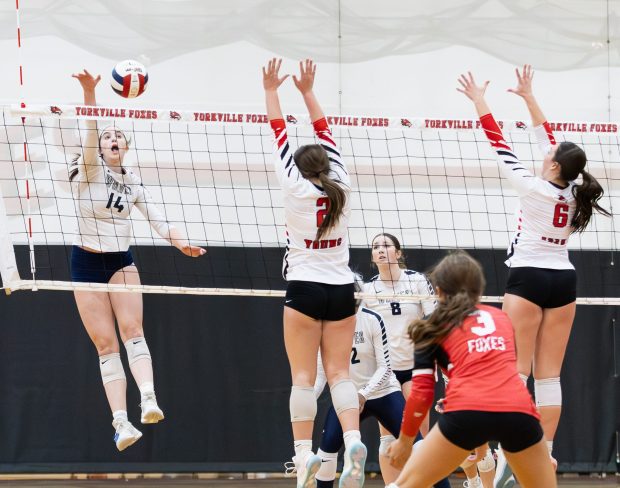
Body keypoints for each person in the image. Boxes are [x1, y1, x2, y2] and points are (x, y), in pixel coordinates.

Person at [457, 66, 611, 487]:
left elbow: (497, 142)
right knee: (550, 376)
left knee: (514, 372)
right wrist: (528, 96)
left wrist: (479, 100)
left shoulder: (533, 186)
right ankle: (544, 452)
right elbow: (550, 138)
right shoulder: (574, 189)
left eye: (550, 153)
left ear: (555, 164)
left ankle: (512, 452)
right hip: (563, 279)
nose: (545, 151)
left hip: (527, 278)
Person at [70, 69, 205, 451]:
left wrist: (183, 244)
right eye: (108, 137)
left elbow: (160, 221)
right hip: (85, 263)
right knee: (104, 344)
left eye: (119, 137)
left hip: (120, 263)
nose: (112, 140)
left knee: (133, 331)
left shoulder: (133, 183)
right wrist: (89, 92)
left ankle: (148, 399)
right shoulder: (90, 168)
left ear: (126, 148)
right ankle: (120, 423)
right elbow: (91, 132)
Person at [262, 58, 366, 488]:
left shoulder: (293, 184)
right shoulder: (341, 181)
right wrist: (307, 92)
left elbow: (278, 131)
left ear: (300, 167)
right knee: (340, 374)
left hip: (304, 287)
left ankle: (303, 454)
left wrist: (272, 88)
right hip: (342, 288)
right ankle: (355, 439)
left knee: (303, 378)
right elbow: (324, 131)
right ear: (326, 164)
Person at [385, 251, 557, 488]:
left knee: (405, 484)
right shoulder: (501, 318)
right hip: (518, 412)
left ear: (438, 291)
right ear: (479, 290)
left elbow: (421, 394)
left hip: (467, 412)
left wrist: (405, 441)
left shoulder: (432, 326)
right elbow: (492, 372)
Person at [361, 233, 450, 488]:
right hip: (385, 371)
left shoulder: (417, 281)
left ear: (398, 253)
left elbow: (436, 322)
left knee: (418, 438)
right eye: (376, 247)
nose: (380, 250)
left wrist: (443, 367)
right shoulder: (368, 290)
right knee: (389, 437)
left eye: (386, 246)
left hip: (416, 367)